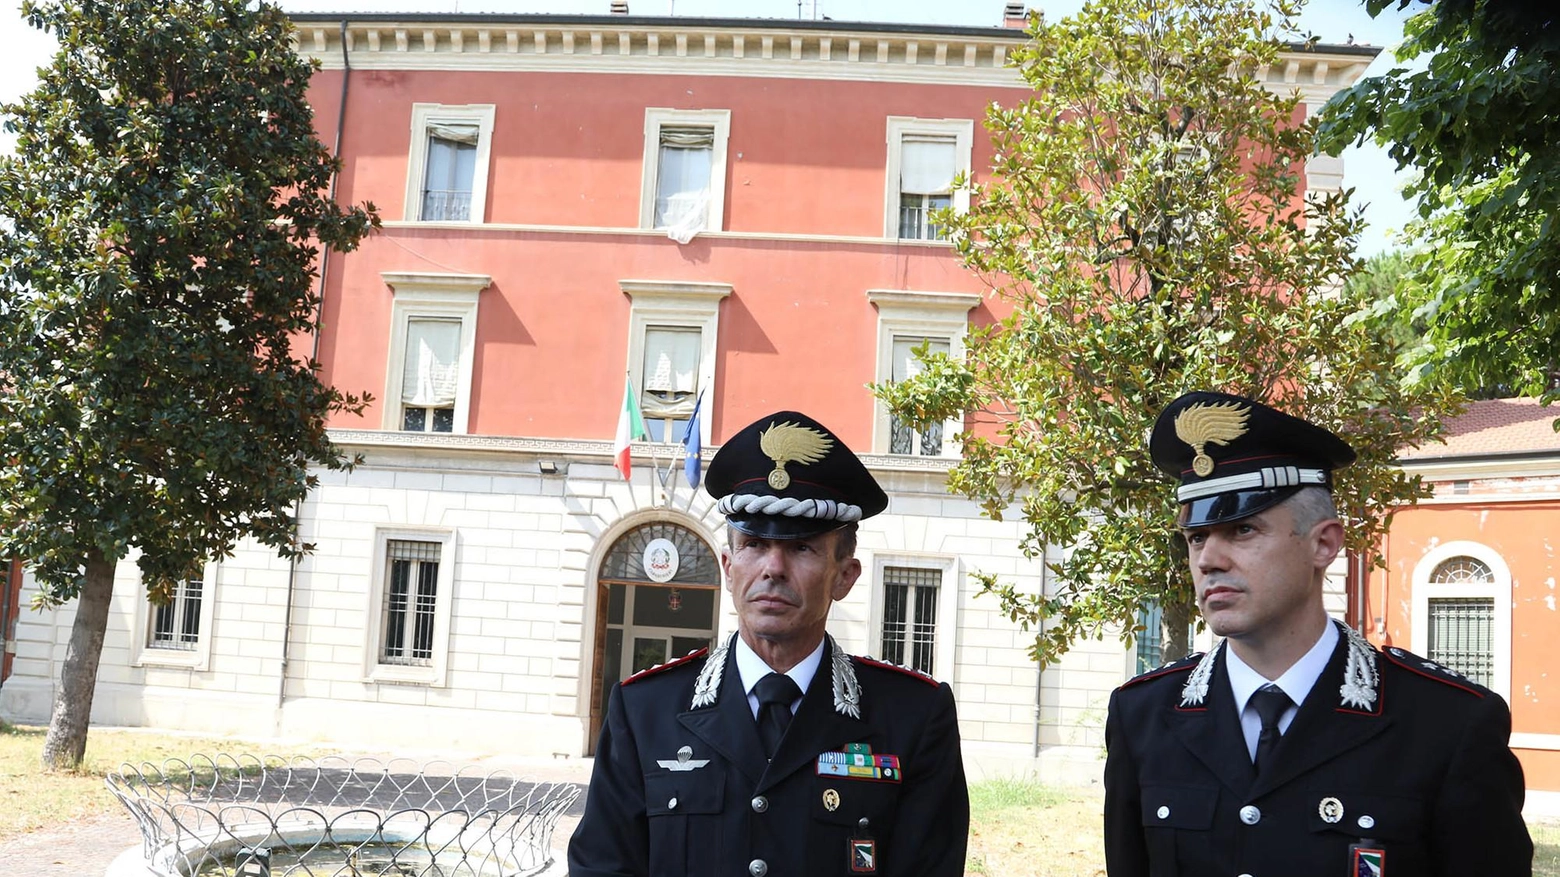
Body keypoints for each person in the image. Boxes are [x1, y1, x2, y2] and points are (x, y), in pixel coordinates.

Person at [1103, 390, 1533, 877]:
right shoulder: (1142, 717)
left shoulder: (1447, 723)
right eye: (1197, 537)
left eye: (1242, 530)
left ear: (1323, 544)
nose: (1208, 560)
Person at [568, 410, 970, 877]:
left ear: (845, 576)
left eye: (802, 548)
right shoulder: (644, 710)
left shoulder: (913, 718)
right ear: (728, 566)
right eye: (754, 545)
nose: (772, 568)